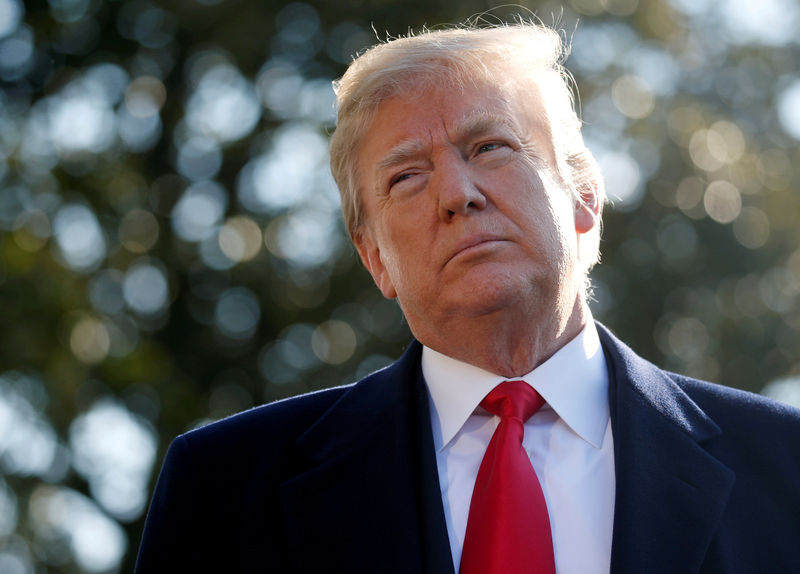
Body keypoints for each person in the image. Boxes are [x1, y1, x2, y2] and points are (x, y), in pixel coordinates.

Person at [136, 21, 800, 574]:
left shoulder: (783, 465)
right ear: (375, 259)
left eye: (490, 146)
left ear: (585, 199)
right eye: (406, 177)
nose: (458, 194)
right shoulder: (224, 489)